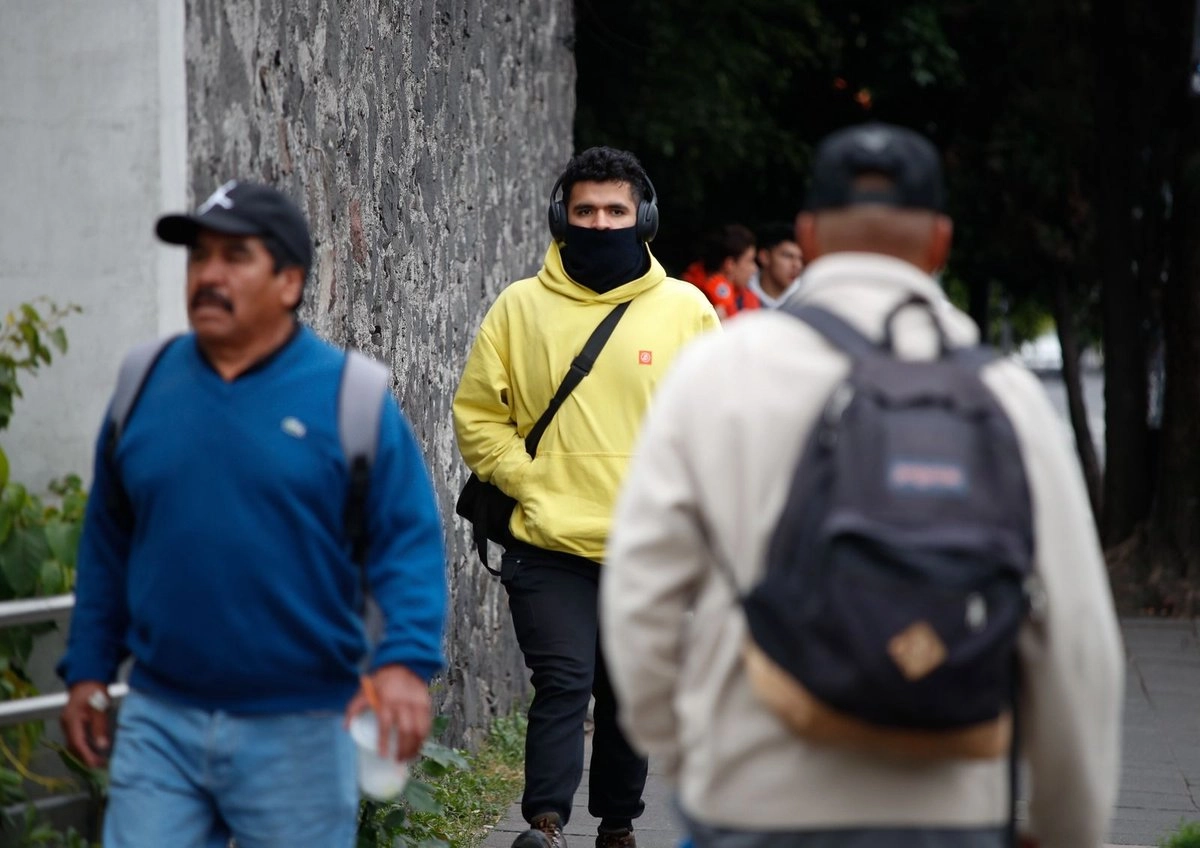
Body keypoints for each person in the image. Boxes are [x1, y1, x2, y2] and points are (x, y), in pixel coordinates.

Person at [602, 124, 1124, 847]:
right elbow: (1077, 638)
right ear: (940, 242)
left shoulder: (720, 372)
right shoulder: (1006, 397)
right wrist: (1069, 827)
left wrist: (691, 755)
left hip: (756, 796)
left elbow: (640, 590)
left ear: (808, 236)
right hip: (951, 808)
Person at [58, 180, 448, 848]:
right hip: (160, 721)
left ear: (289, 282)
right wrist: (89, 669)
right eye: (199, 256)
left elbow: (406, 542)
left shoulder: (351, 397)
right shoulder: (142, 384)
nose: (209, 275)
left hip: (300, 728)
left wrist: (405, 662)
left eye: (234, 257)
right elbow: (107, 543)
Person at [453, 146, 719, 848]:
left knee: (628, 694)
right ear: (560, 217)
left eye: (615, 211)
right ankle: (545, 824)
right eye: (586, 211)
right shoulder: (519, 308)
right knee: (564, 680)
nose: (601, 224)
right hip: (548, 542)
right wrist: (531, 482)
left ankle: (618, 823)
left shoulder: (686, 310)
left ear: (644, 218)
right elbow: (478, 417)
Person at [681, 224, 761, 319]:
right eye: (750, 261)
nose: (754, 268)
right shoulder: (686, 292)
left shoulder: (748, 299)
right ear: (730, 264)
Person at [747, 221, 804, 308]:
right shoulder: (739, 293)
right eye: (788, 256)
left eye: (800, 258)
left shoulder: (806, 298)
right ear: (765, 257)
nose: (797, 265)